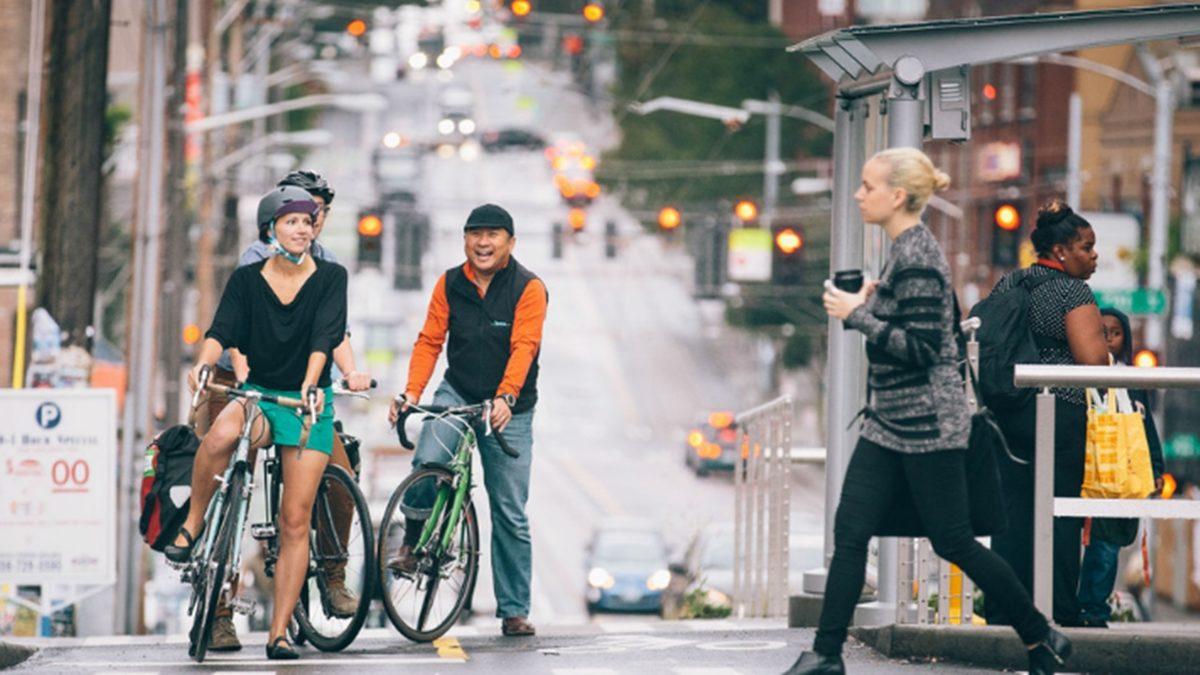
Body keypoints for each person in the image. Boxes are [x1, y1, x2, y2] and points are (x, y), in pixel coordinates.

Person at [784, 148, 1070, 675]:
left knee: (954, 540)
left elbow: (919, 348)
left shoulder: (917, 258)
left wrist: (858, 314)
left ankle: (1039, 633)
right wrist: (874, 301)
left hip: (929, 430)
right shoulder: (905, 253)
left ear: (897, 196)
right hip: (891, 423)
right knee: (850, 533)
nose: (858, 194)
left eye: (867, 186)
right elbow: (923, 328)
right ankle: (826, 655)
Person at [166, 185, 349, 660]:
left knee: (294, 521)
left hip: (306, 404)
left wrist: (312, 384)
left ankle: (279, 633)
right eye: (292, 221)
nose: (302, 229)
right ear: (271, 228)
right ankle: (193, 524)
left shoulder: (332, 277)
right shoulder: (247, 280)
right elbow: (221, 330)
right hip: (261, 398)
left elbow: (325, 337)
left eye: (308, 222)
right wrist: (204, 363)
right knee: (222, 433)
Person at [386, 203, 547, 637]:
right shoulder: (450, 283)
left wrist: (507, 395)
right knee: (428, 454)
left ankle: (513, 610)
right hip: (457, 390)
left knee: (510, 511)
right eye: (475, 234)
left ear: (510, 243)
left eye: (493, 235)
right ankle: (413, 540)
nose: (483, 242)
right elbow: (429, 340)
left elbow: (525, 346)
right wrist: (412, 393)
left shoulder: (528, 288)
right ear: (464, 240)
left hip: (509, 405)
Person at [987, 200, 1108, 628]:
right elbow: (1093, 361)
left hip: (1008, 411)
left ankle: (1003, 608)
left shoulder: (1009, 283)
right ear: (1060, 251)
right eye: (1087, 248)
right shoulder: (1073, 291)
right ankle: (1058, 608)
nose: (1094, 256)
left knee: (1012, 513)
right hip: (1059, 413)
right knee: (1060, 512)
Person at [1075, 307, 1165, 627]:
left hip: (1119, 476)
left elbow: (1146, 428)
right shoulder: (1075, 375)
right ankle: (1076, 606)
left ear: (1125, 338)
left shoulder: (1131, 379)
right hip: (1085, 472)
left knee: (1107, 546)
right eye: (1101, 332)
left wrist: (1155, 467)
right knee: (1080, 545)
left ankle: (1094, 610)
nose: (1108, 339)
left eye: (1115, 333)